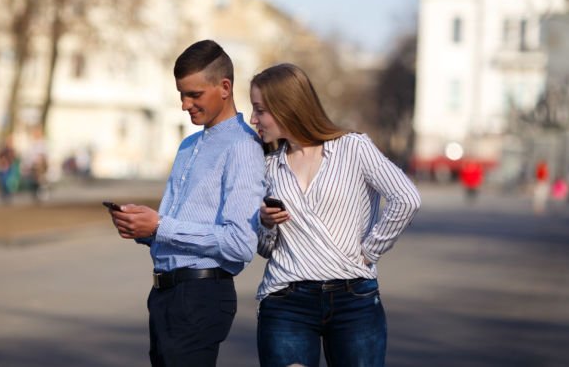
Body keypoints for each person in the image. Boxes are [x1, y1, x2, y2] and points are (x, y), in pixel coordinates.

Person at [249, 63, 421, 367]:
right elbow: (266, 248)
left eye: (260, 110)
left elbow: (406, 198)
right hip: (286, 300)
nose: (253, 119)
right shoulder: (268, 166)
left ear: (286, 107)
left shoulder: (353, 147)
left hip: (353, 298)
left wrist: (370, 250)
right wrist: (266, 224)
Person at [106, 40, 265, 366]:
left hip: (201, 295)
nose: (184, 105)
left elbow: (240, 244)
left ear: (224, 87)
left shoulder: (244, 148)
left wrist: (161, 226)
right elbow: (173, 228)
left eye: (194, 95)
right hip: (164, 294)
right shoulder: (188, 144)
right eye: (181, 94)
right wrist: (142, 226)